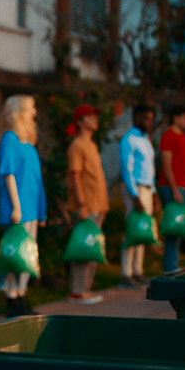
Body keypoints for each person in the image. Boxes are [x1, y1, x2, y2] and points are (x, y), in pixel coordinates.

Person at [0, 95, 46, 317]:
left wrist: (41, 210)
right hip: (19, 209)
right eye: (30, 109)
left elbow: (36, 181)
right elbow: (9, 174)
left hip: (32, 209)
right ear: (19, 112)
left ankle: (21, 295)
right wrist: (16, 207)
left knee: (27, 255)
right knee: (14, 254)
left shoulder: (29, 144)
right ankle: (12, 299)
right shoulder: (10, 139)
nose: (34, 113)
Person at [65, 104, 109, 304]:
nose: (94, 120)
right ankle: (77, 291)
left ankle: (86, 289)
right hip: (86, 205)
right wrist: (82, 203)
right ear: (79, 122)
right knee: (82, 248)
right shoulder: (77, 145)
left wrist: (104, 205)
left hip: (98, 205)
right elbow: (75, 175)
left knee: (93, 249)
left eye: (94, 116)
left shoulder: (92, 145)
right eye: (89, 117)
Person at [118, 104, 157, 289]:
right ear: (136, 117)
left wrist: (154, 193)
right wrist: (135, 195)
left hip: (148, 189)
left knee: (143, 231)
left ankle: (137, 271)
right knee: (132, 231)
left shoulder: (145, 139)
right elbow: (127, 169)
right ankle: (125, 274)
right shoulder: (129, 139)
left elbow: (150, 168)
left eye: (151, 119)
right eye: (146, 118)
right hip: (136, 190)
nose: (149, 122)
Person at [157, 105, 185, 273]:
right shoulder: (168, 136)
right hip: (170, 186)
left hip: (183, 186)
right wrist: (174, 190)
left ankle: (175, 263)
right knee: (172, 225)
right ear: (176, 117)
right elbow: (166, 166)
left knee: (180, 225)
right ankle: (170, 266)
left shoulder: (184, 137)